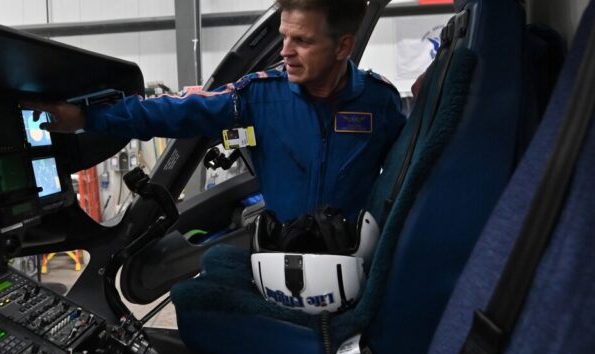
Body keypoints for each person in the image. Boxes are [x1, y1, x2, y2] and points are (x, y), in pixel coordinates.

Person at [25, 0, 406, 222]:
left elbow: (407, 177)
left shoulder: (381, 103)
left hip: (354, 260)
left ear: (343, 47)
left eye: (302, 41)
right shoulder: (260, 96)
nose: (285, 51)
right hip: (281, 260)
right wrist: (86, 118)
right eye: (284, 36)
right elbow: (177, 111)